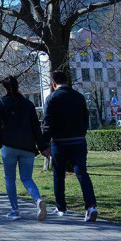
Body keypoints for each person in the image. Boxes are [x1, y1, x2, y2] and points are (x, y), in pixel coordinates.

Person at [42, 70, 98, 222]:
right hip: (79, 140)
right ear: (67, 80)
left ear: (54, 84)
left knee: (58, 176)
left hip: (60, 143)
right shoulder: (79, 97)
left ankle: (61, 208)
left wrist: (43, 144)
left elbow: (47, 123)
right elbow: (86, 118)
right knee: (82, 173)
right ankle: (91, 206)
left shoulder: (51, 98)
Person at [0, 76, 48, 221]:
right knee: (27, 178)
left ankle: (15, 210)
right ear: (18, 86)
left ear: (4, 88)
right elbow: (36, 127)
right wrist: (42, 146)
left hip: (9, 146)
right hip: (28, 147)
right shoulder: (28, 104)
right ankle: (37, 200)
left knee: (10, 178)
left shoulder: (2, 102)